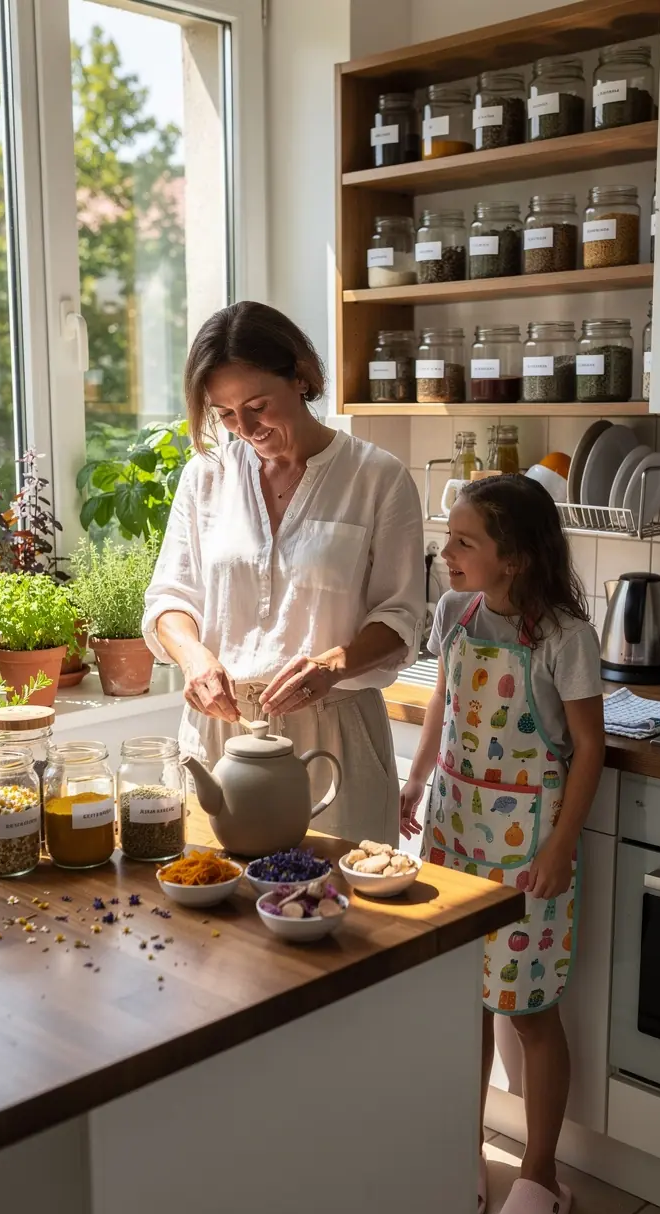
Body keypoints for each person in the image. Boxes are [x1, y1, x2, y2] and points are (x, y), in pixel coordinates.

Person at [400, 475, 604, 1214]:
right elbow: (440, 706)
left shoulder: (563, 639)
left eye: (463, 542)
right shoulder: (455, 613)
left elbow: (589, 749)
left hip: (527, 850)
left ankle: (542, 1174)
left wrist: (560, 844)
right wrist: (415, 783)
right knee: (462, 1002)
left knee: (527, 1009)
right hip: (454, 832)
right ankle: (462, 1149)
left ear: (513, 558)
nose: (445, 552)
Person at [143, 300, 425, 842]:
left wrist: (334, 665)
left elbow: (401, 619)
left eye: (256, 405)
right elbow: (169, 599)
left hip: (334, 738)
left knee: (342, 912)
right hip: (221, 737)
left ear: (300, 377)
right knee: (212, 912)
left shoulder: (378, 479)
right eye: (224, 414)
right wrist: (195, 657)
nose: (244, 427)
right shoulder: (206, 476)